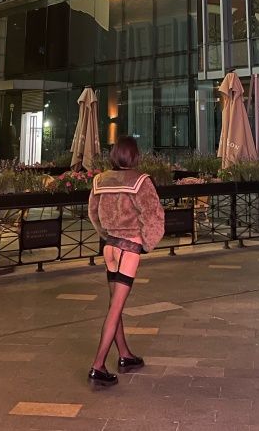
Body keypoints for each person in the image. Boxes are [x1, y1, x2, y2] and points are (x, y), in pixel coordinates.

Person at [87, 136, 165, 387]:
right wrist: (146, 243)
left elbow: (93, 213)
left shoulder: (100, 180)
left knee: (115, 304)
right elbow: (154, 215)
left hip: (109, 247)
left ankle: (125, 355)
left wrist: (106, 234)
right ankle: (98, 366)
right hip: (129, 248)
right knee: (115, 308)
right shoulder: (140, 181)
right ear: (135, 156)